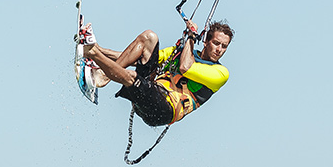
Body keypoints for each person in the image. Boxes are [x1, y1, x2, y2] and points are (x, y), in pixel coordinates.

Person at [79, 19, 233, 127]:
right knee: (149, 38)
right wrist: (100, 48)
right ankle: (95, 59)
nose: (219, 49)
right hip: (151, 91)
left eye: (224, 46)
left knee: (133, 77)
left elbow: (185, 67)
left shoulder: (220, 73)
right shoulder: (181, 53)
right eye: (216, 43)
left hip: (165, 109)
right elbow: (133, 57)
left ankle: (95, 62)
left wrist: (191, 37)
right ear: (206, 41)